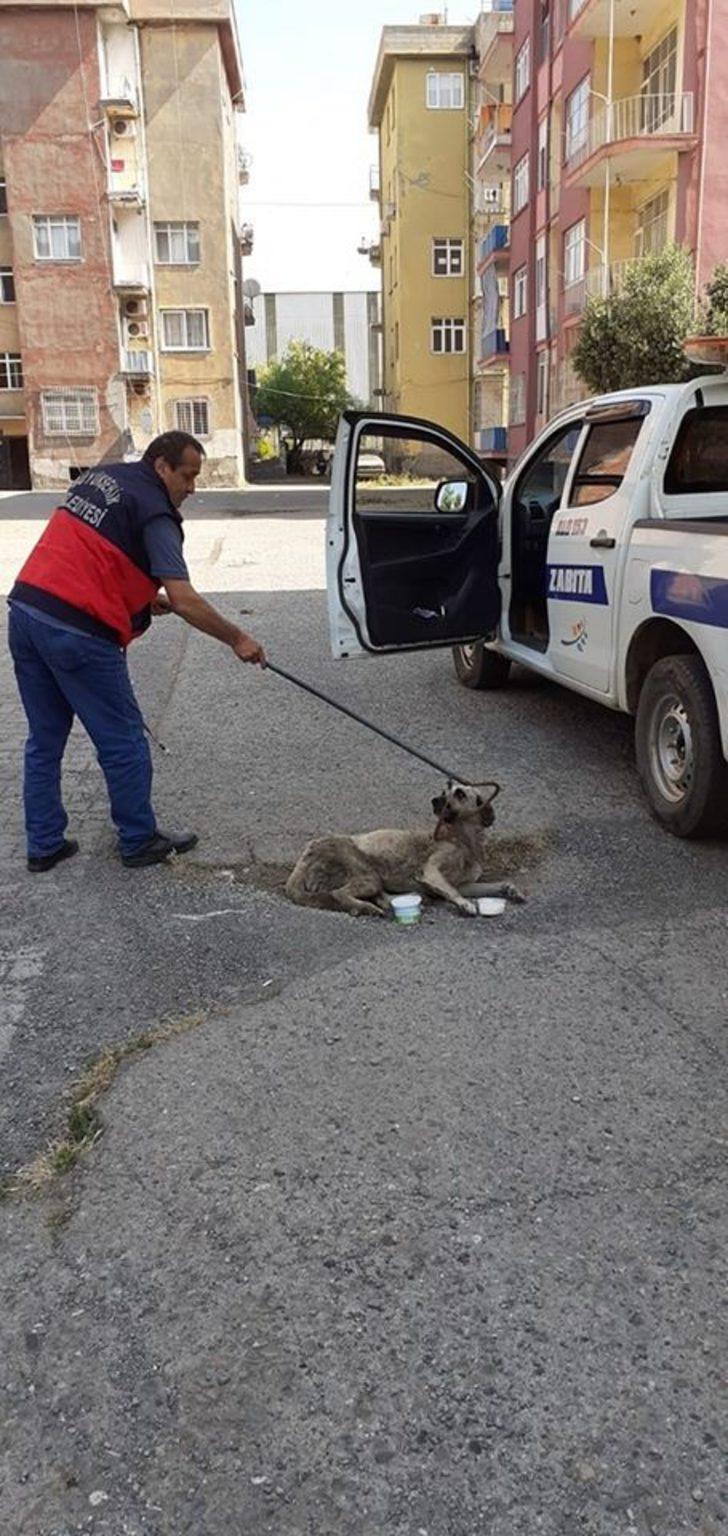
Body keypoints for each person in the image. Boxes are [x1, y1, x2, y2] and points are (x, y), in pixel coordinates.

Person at [7, 431, 266, 872]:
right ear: (161, 466)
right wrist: (238, 638)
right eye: (187, 476)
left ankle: (44, 843)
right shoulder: (157, 513)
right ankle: (138, 838)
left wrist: (143, 598)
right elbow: (184, 598)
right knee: (123, 740)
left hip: (26, 612)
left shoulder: (104, 478)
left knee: (44, 739)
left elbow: (93, 549)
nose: (192, 488)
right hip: (78, 633)